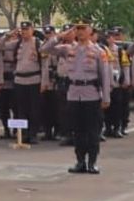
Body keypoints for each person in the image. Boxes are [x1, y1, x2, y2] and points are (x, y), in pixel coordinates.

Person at [41, 20, 111, 174]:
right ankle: (80, 161)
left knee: (92, 131)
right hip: (73, 94)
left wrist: (106, 97)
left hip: (91, 95)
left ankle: (92, 163)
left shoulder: (99, 51)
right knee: (78, 131)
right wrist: (60, 36)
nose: (79, 32)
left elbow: (105, 75)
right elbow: (44, 49)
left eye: (83, 29)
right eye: (77, 29)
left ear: (90, 30)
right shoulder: (68, 49)